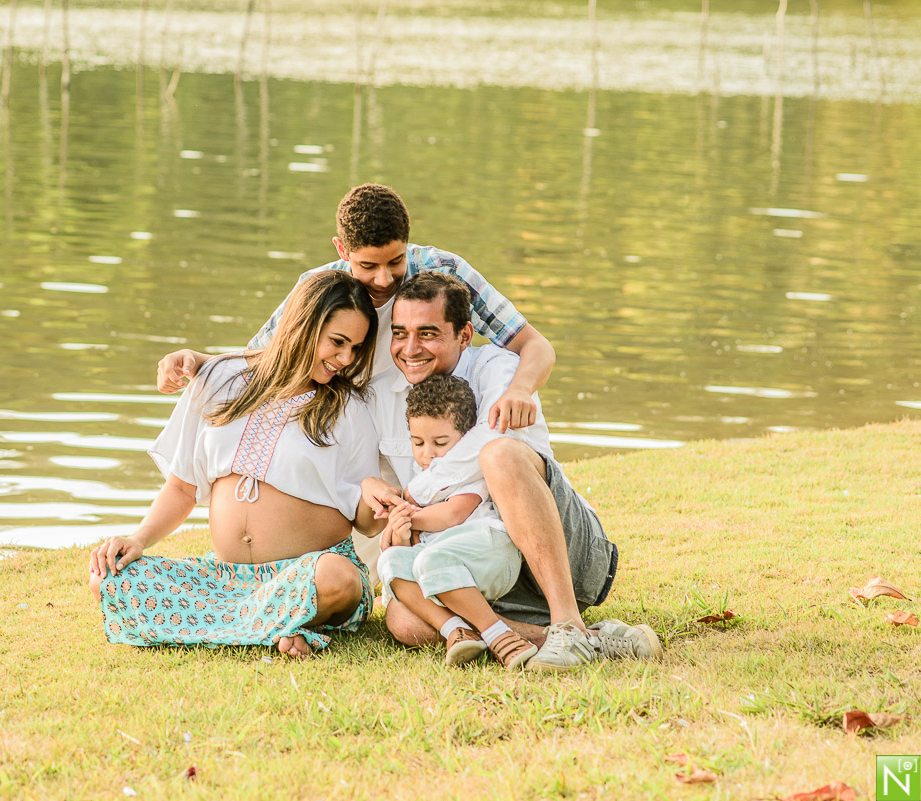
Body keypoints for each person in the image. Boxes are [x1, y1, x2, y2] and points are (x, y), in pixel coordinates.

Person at [362, 273, 662, 672]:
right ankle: (578, 640)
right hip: (472, 566)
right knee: (403, 619)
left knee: (499, 454)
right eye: (401, 333)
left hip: (559, 557)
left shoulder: (498, 369)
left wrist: (414, 496)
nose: (410, 348)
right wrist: (379, 495)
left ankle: (568, 622)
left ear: (465, 335)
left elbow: (493, 436)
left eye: (428, 333)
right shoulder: (381, 396)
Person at [87, 270, 383, 659]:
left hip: (306, 575)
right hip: (227, 581)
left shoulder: (349, 408)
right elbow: (182, 487)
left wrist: (379, 500)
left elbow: (365, 520)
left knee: (338, 579)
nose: (345, 360)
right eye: (338, 343)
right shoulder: (221, 377)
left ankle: (241, 624)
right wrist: (139, 539)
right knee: (110, 578)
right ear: (304, 324)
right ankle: (272, 627)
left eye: (355, 349)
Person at [156, 183, 554, 435]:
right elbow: (264, 358)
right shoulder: (319, 287)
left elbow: (534, 345)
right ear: (342, 250)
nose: (383, 279)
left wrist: (519, 390)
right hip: (356, 423)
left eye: (395, 262)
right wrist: (199, 360)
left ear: (408, 244)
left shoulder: (444, 270)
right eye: (367, 266)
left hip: (431, 424)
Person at [365, 373, 537, 670]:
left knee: (430, 560)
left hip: (488, 549)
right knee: (391, 562)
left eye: (440, 442)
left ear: (465, 436)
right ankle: (454, 630)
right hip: (442, 563)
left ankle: (498, 634)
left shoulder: (468, 469)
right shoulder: (423, 479)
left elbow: (453, 514)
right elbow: (404, 541)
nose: (427, 454)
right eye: (417, 443)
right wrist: (401, 531)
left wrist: (409, 514)